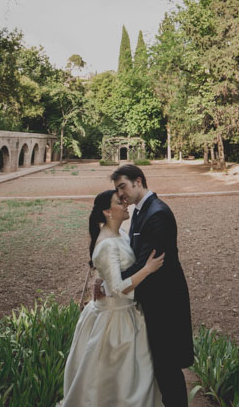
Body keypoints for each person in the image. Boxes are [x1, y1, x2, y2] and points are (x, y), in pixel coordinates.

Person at [59, 189, 165, 407]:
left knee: (131, 378)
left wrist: (103, 281)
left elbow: (113, 277)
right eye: (120, 201)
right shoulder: (107, 244)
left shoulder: (120, 233)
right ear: (107, 211)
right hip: (114, 319)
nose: (125, 203)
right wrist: (148, 269)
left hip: (125, 312)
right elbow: (118, 288)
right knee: (111, 381)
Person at [111, 164, 194, 407]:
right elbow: (136, 257)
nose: (120, 194)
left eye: (123, 186)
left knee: (167, 368)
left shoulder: (157, 213)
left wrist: (113, 282)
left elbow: (147, 262)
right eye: (117, 189)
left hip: (164, 301)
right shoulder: (139, 211)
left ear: (138, 181)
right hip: (151, 298)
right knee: (159, 365)